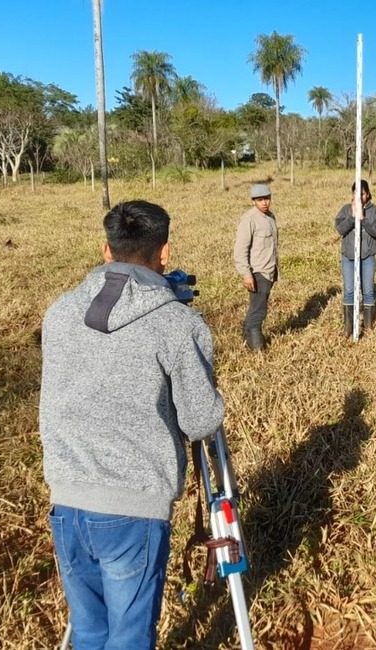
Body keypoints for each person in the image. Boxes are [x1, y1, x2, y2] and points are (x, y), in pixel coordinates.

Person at [39, 200, 225, 650]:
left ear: (106, 250)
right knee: (128, 638)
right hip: (132, 507)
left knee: (89, 631)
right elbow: (200, 421)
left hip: (65, 501)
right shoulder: (177, 324)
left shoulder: (59, 311)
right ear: (164, 254)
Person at [334, 179, 376, 336]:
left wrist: (363, 219)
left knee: (368, 291)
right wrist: (352, 216)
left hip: (367, 257)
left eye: (362, 194)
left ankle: (368, 327)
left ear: (368, 194)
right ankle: (348, 328)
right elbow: (340, 229)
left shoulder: (375, 211)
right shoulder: (345, 210)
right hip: (348, 257)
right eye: (355, 193)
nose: (358, 196)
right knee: (349, 290)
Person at [233, 183, 279, 351]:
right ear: (253, 201)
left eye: (267, 198)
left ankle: (246, 340)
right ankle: (257, 347)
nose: (264, 203)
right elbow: (240, 250)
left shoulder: (270, 217)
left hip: (269, 270)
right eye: (260, 200)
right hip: (258, 271)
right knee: (259, 310)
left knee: (256, 306)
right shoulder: (249, 219)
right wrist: (246, 274)